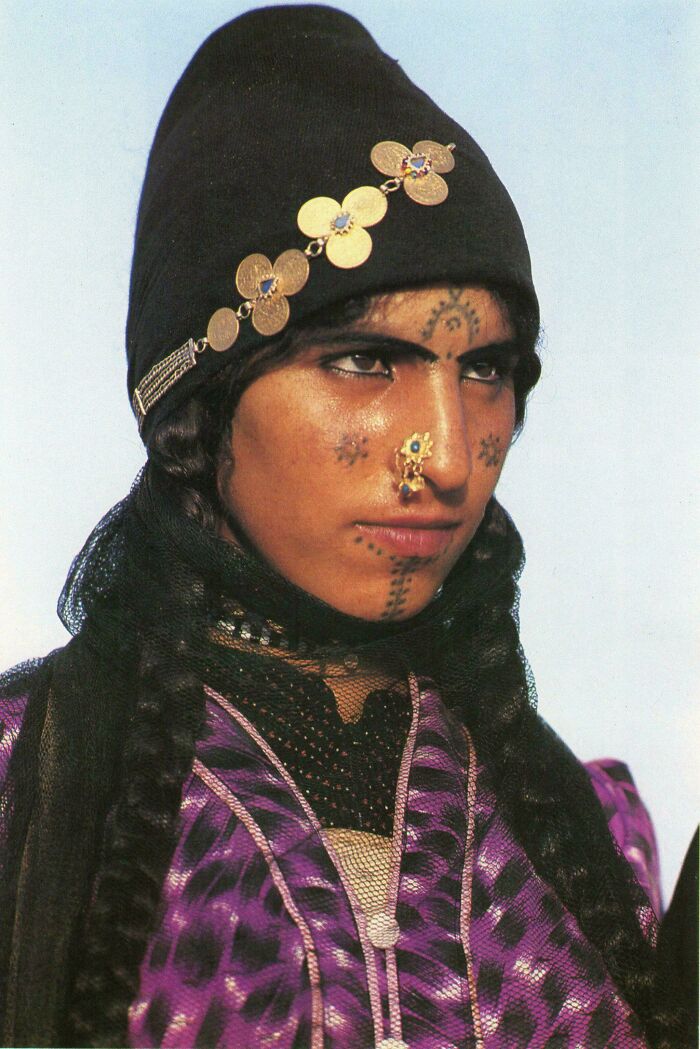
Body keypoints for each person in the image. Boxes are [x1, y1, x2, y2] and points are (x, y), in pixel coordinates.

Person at [0, 6, 693, 1048]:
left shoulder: (591, 844)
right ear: (198, 405)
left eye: (488, 370)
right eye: (366, 362)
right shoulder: (23, 791)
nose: (449, 458)